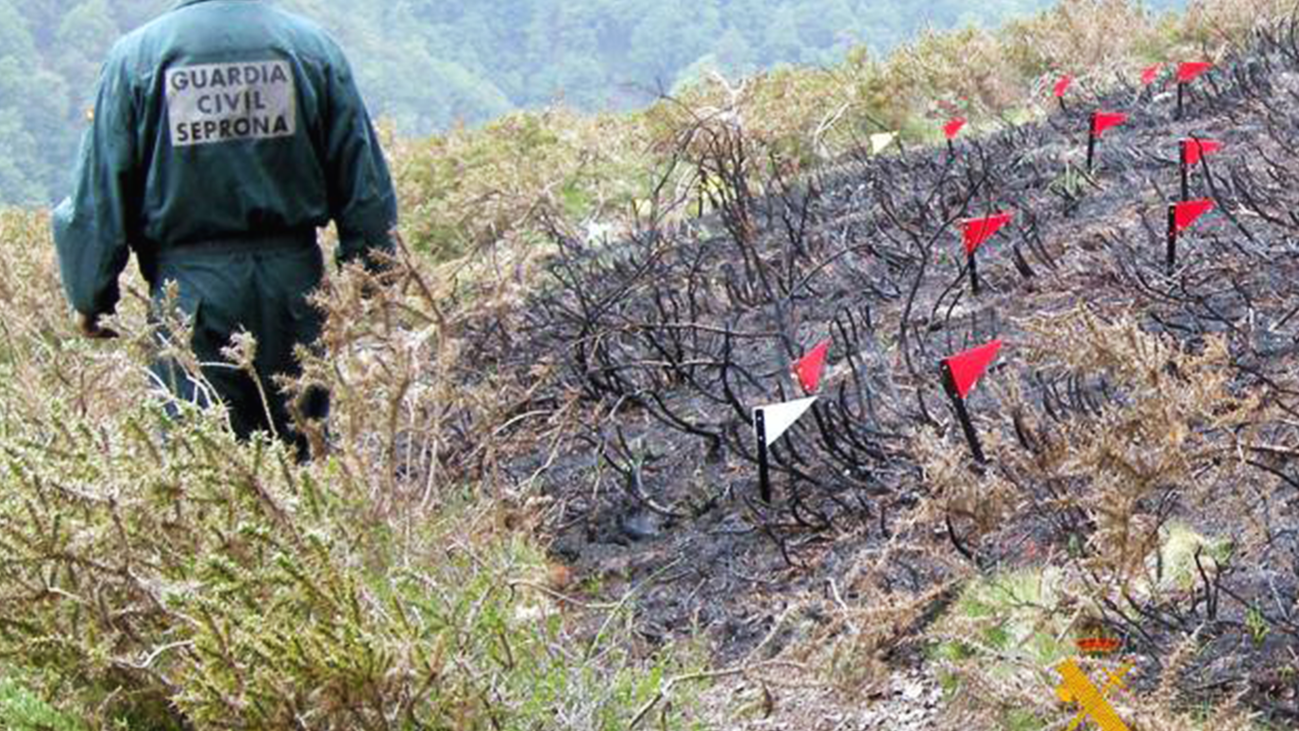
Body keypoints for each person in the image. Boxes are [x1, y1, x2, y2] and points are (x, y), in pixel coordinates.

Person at [53, 0, 397, 458]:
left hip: (190, 297)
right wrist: (372, 281)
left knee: (201, 461)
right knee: (303, 459)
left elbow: (98, 199)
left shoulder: (136, 59)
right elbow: (364, 185)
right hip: (295, 293)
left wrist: (91, 298)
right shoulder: (312, 50)